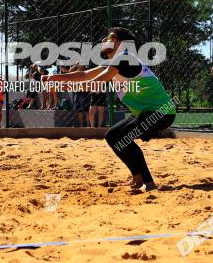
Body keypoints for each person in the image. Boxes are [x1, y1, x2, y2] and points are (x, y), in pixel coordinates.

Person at [44, 27, 175, 193]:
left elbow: (91, 84)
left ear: (119, 43)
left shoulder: (124, 58)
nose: (104, 41)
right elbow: (84, 76)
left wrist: (56, 84)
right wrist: (53, 77)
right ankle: (138, 177)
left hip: (161, 113)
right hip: (149, 112)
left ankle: (149, 183)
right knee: (112, 136)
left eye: (109, 38)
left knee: (122, 137)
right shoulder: (115, 63)